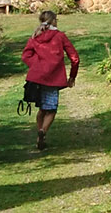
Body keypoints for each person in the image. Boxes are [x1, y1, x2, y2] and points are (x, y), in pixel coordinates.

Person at [21, 9, 80, 151]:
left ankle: (39, 136)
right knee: (51, 109)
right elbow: (75, 58)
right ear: (54, 21)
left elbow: (25, 55)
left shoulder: (35, 36)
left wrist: (37, 66)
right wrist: (72, 76)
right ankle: (43, 132)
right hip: (54, 78)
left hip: (37, 78)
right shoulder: (60, 36)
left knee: (42, 108)